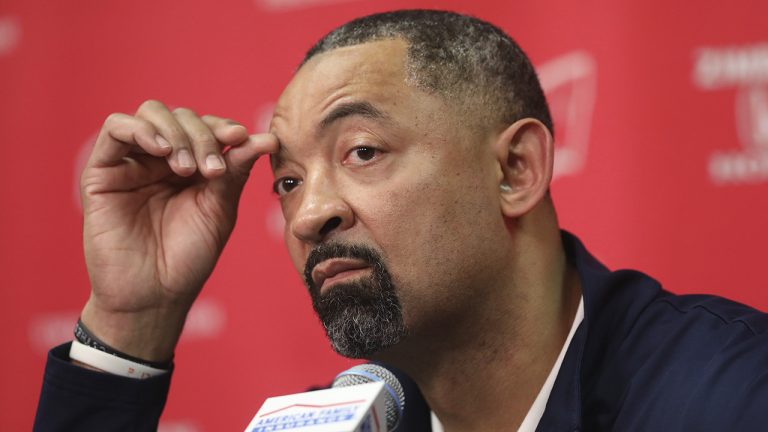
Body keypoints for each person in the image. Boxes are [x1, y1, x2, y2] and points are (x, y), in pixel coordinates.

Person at [34, 9, 768, 432]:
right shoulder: (346, 422)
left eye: (362, 151)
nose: (309, 214)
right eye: (287, 180)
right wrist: (132, 322)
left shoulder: (728, 398)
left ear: (516, 170)